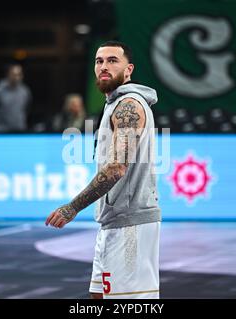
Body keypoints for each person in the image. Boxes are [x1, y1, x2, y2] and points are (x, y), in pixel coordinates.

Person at [45, 41, 161, 299]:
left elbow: (117, 168)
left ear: (128, 70)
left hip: (131, 224)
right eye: (99, 61)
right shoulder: (113, 103)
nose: (104, 66)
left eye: (112, 60)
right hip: (112, 222)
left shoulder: (128, 105)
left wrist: (72, 207)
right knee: (98, 297)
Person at [0, 64, 32, 133]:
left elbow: (27, 108)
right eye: (14, 74)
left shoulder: (25, 91)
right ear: (8, 74)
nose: (17, 77)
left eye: (19, 74)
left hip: (19, 128)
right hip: (1, 129)